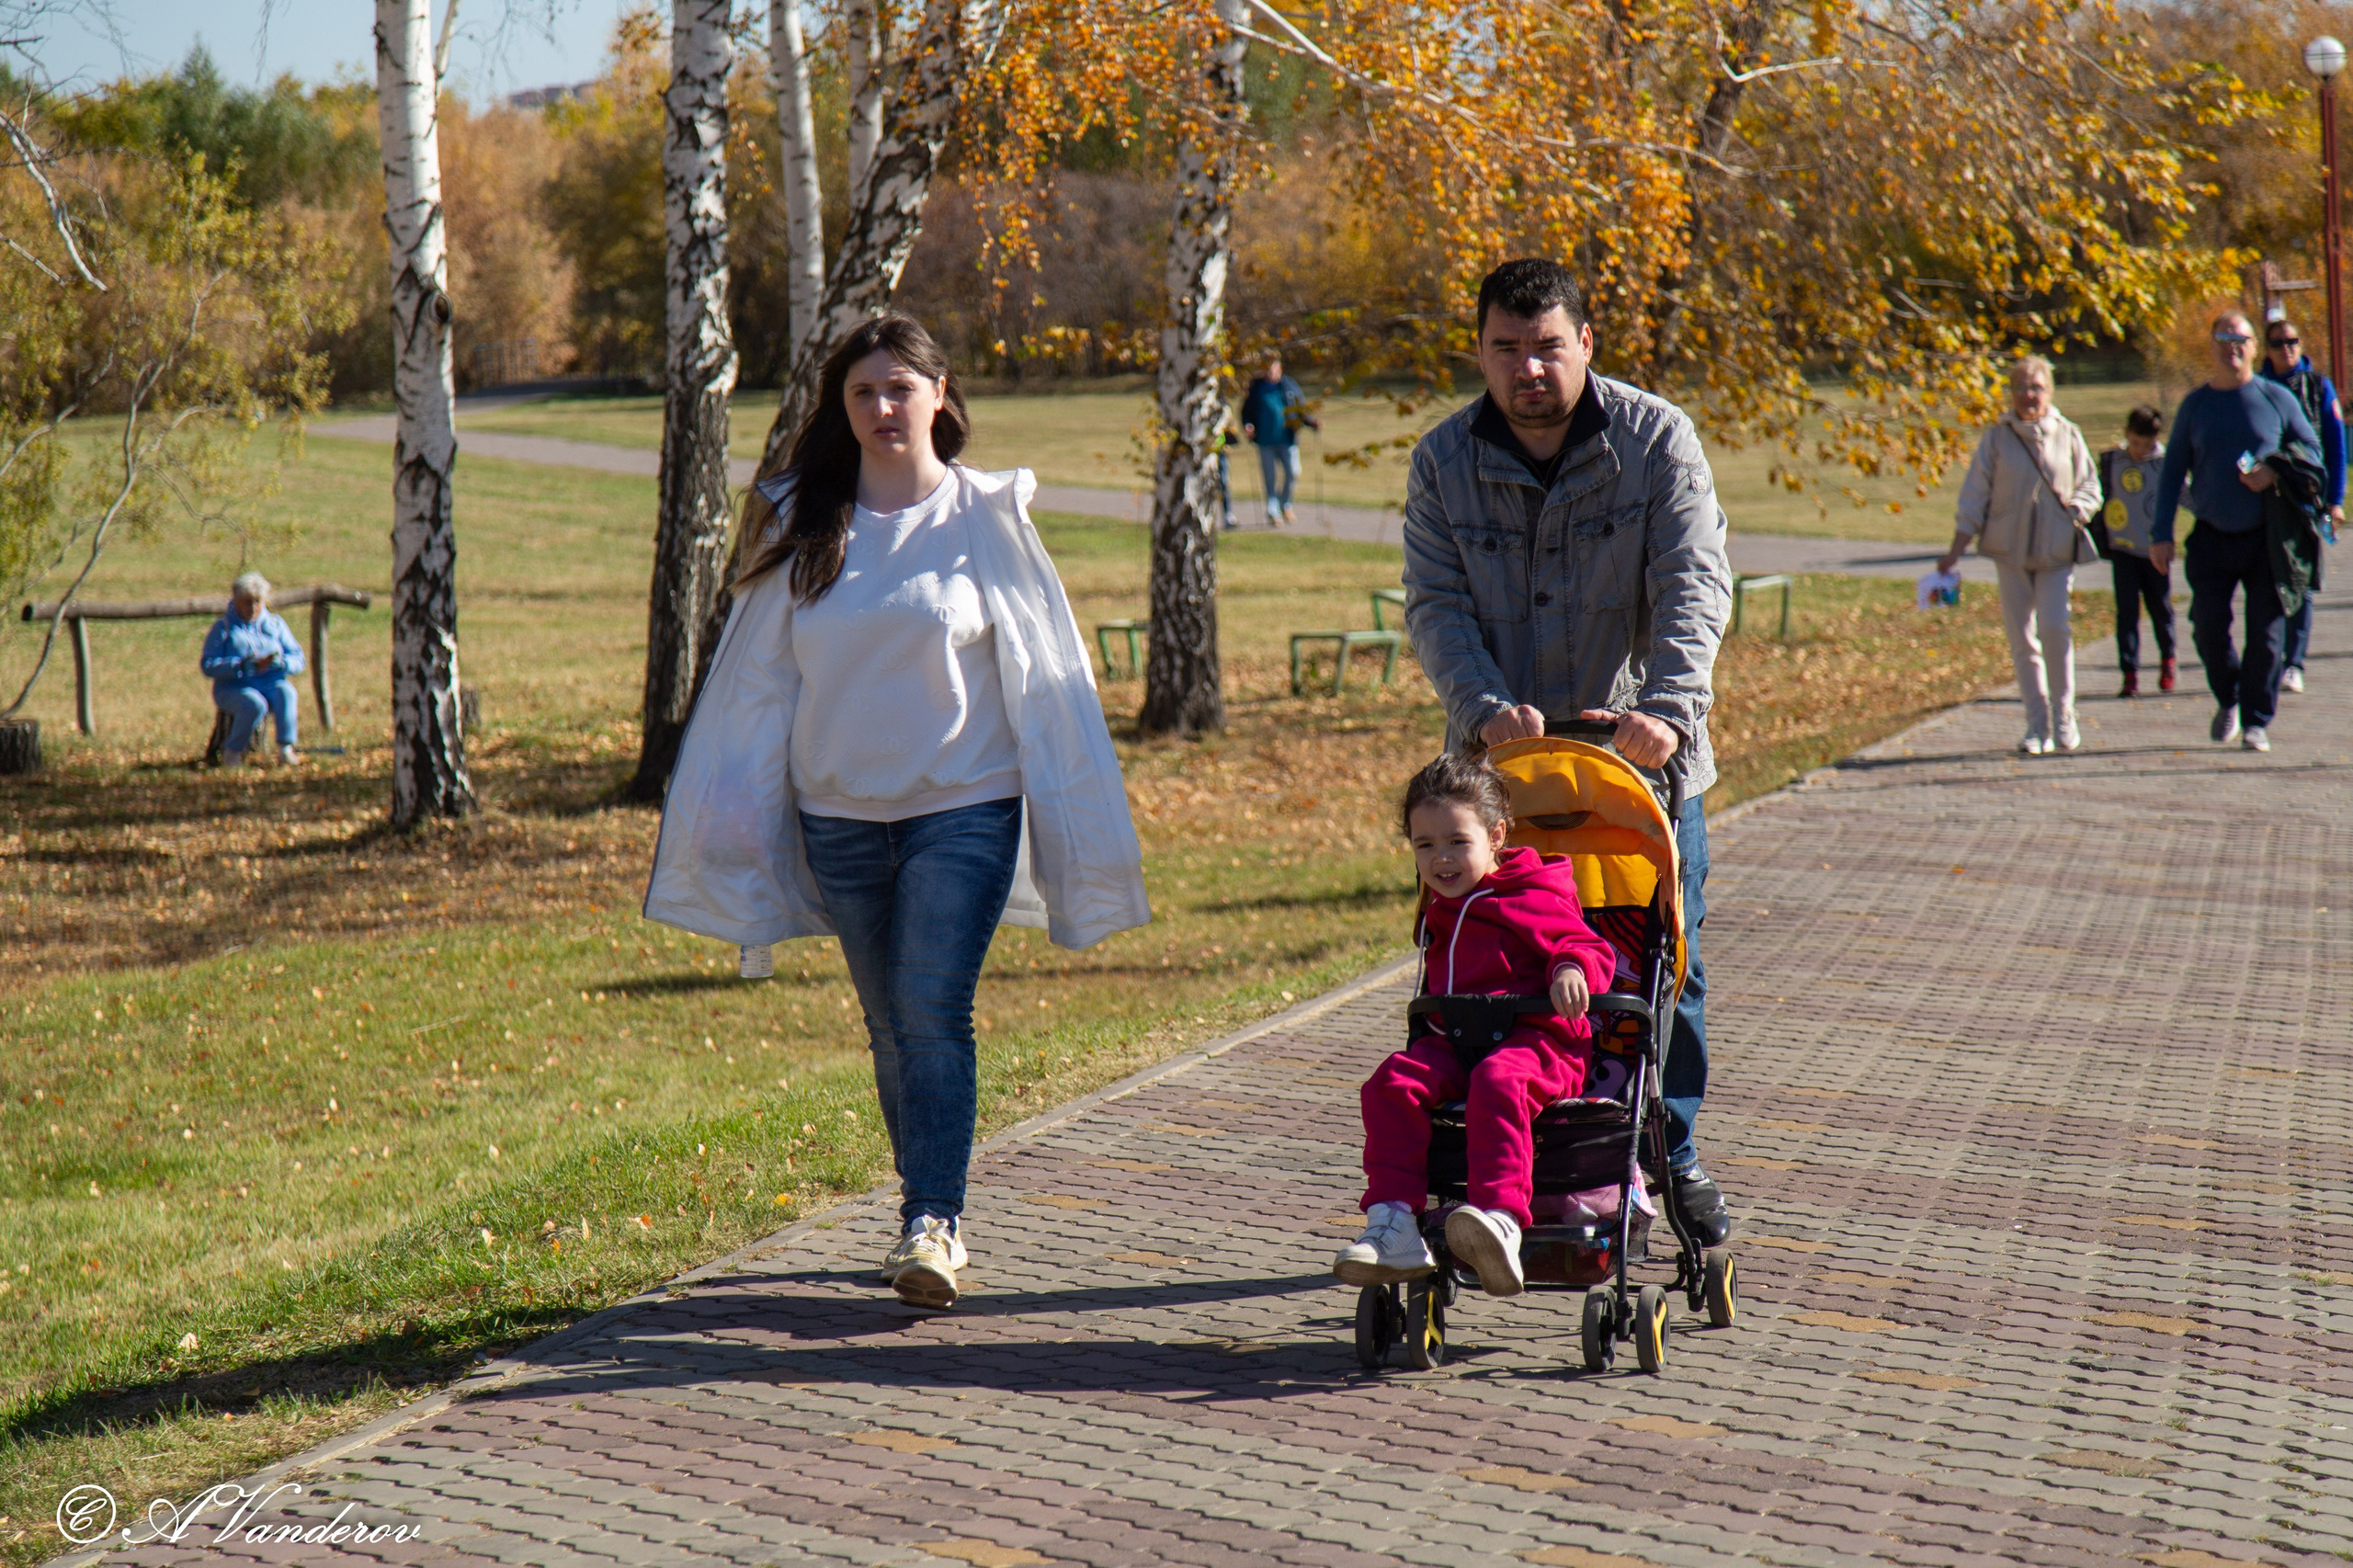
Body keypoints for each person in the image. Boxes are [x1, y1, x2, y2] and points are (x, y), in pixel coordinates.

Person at [642, 312, 1152, 1311]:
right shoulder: (802, 516)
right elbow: (757, 683)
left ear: (940, 394)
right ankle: (922, 1207)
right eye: (864, 391)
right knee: (889, 1023)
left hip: (964, 805)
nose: (883, 407)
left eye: (900, 388)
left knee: (929, 1008)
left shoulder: (985, 516)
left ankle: (933, 1220)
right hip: (836, 815)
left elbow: (1046, 665)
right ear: (844, 407)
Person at [1401, 257, 1735, 1249]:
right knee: (1496, 965)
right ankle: (1500, 1163)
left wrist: (1667, 710)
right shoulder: (1442, 461)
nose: (1528, 368)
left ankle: (1665, 1150)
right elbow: (1437, 605)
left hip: (1639, 765)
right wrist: (1479, 705)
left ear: (1585, 343)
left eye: (1547, 345)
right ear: (1481, 352)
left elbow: (1693, 582)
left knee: (1661, 963)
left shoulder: (1653, 440)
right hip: (1500, 782)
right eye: (1506, 348)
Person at [1336, 755, 1619, 1297]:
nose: (1441, 858)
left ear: (1496, 836)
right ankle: (1394, 1221)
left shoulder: (1533, 891)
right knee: (1391, 1081)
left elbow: (1583, 943)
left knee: (1499, 1081)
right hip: (1459, 1041)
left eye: (1456, 842)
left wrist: (1569, 969)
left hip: (1539, 1044)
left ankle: (1500, 1219)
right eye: (1425, 845)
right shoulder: (1443, 904)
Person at [2152, 309, 2320, 754]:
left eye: (2241, 339)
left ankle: (2256, 721)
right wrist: (2160, 533)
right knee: (2208, 628)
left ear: (2253, 348)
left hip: (2266, 536)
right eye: (2224, 338)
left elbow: (2312, 451)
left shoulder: (2276, 399)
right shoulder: (2195, 406)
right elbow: (2171, 475)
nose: (2233, 347)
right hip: (2211, 534)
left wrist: (2275, 471)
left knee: (2266, 636)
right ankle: (2228, 698)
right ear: (2211, 346)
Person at [1935, 358, 2101, 754]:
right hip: (2008, 552)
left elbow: (2090, 484)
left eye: (2037, 387)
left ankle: (2064, 715)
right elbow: (1974, 496)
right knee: (2022, 637)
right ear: (2011, 392)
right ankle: (2036, 724)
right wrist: (1956, 548)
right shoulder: (1997, 439)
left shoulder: (2068, 434)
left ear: (2049, 392)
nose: (2029, 395)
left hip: (2056, 550)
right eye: (2022, 387)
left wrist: (2078, 509)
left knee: (2055, 629)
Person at [2257, 313, 2345, 694]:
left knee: (2303, 575)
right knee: (2267, 577)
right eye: (2278, 343)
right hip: (2266, 498)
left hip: (2308, 499)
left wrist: (2335, 501)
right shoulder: (2255, 388)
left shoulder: (2318, 387)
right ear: (2266, 349)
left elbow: (2335, 446)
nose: (2287, 349)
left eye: (2293, 342)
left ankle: (2295, 661)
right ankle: (2270, 654)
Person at [2097, 405, 2176, 699]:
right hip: (2123, 549)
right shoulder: (2112, 461)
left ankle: (2168, 659)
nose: (2141, 450)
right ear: (2127, 434)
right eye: (2136, 443)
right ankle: (2129, 673)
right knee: (2127, 613)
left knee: (2161, 610)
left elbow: (2185, 494)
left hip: (2155, 550)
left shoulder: (2165, 463)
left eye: (2148, 445)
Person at [199, 572, 305, 767]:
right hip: (234, 687)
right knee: (255, 704)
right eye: (247, 602)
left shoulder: (275, 624)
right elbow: (207, 665)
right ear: (236, 600)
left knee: (287, 692)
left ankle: (285, 749)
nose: (253, 607)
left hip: (270, 683)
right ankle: (232, 753)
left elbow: (298, 658)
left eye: (257, 601)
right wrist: (239, 666)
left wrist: (281, 663)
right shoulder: (224, 627)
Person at [1239, 354, 1318, 525]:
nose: (1269, 373)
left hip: (1287, 438)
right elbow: (1246, 412)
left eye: (1272, 369)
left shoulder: (1288, 385)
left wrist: (1311, 422)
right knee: (1270, 477)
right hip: (1265, 440)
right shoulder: (1256, 388)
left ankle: (1285, 504)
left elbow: (1301, 408)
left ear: (1279, 368)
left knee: (1293, 472)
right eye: (1266, 369)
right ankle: (1272, 510)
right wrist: (1248, 425)